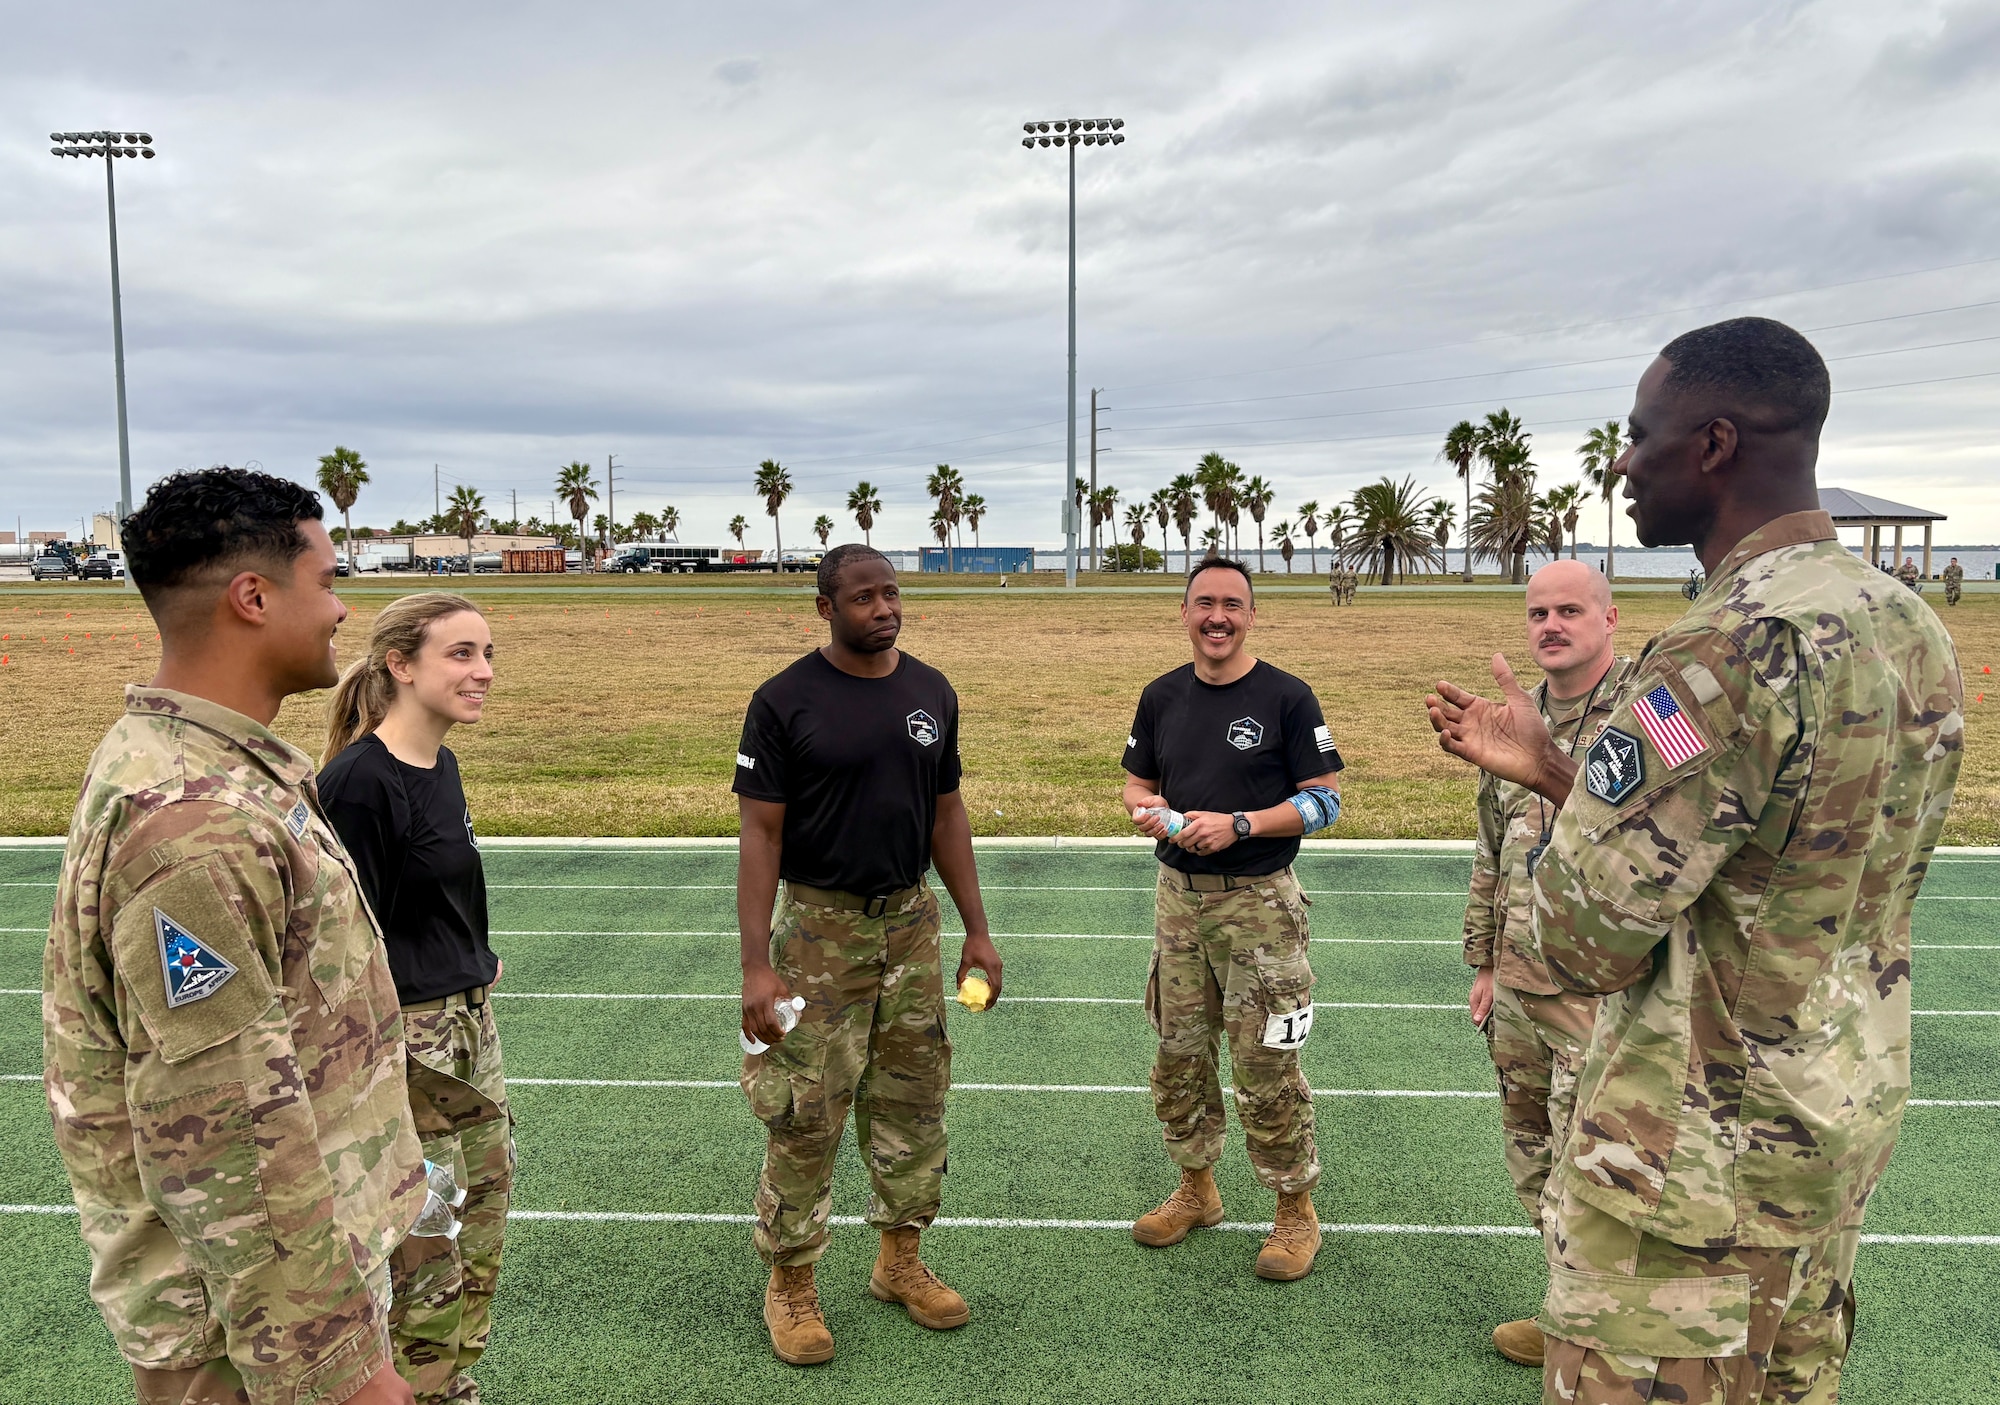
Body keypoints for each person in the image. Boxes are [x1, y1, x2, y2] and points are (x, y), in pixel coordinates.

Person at [1427, 317, 1964, 1404]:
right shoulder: (1905, 624)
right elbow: (1758, 862)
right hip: (1826, 1122)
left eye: (1639, 435)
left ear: (1712, 444)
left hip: (1689, 1167)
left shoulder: (1721, 648)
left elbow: (1583, 926)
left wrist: (1553, 797)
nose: (1622, 462)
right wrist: (1550, 769)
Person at [43, 467, 425, 1405]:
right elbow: (225, 1134)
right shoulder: (192, 819)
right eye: (328, 580)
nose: (342, 607)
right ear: (253, 597)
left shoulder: (207, 764)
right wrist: (346, 1369)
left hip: (270, 1298)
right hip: (248, 1338)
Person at [733, 543, 1004, 1366]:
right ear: (826, 608)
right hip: (817, 931)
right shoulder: (783, 701)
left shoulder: (931, 690)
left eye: (891, 593)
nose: (883, 607)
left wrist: (977, 929)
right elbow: (761, 833)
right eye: (863, 597)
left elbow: (945, 815)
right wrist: (756, 962)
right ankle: (792, 1281)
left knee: (914, 1100)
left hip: (911, 927)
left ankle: (900, 1260)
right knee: (807, 1109)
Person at [1122, 558, 1345, 1281]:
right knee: (1178, 1056)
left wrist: (1241, 824)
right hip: (1178, 902)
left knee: (1267, 1065)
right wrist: (1156, 816)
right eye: (1204, 604)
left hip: (1260, 908)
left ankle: (1293, 1210)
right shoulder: (1160, 696)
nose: (1217, 617)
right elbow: (1136, 785)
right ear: (1183, 612)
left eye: (1232, 605)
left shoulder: (1287, 696)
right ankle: (1197, 1188)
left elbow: (1324, 801)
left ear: (1252, 615)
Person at [320, 593, 511, 1405]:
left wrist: (475, 957)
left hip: (467, 1019)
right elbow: (334, 940)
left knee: (484, 1205)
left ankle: (446, 1381)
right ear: (401, 664)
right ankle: (420, 1390)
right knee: (427, 1233)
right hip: (408, 1035)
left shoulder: (443, 762)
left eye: (488, 653)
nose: (484, 672)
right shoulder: (360, 783)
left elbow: (442, 887)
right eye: (461, 654)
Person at [1463, 560, 1633, 1369]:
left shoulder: (1651, 715)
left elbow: (1656, 833)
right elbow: (1492, 853)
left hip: (1605, 991)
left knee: (1595, 1169)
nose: (1551, 625)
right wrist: (1487, 964)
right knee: (1532, 1155)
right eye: (1537, 613)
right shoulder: (1511, 716)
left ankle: (1609, 1327)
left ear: (1610, 618)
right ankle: (1574, 1305)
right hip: (1523, 986)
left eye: (1570, 609)